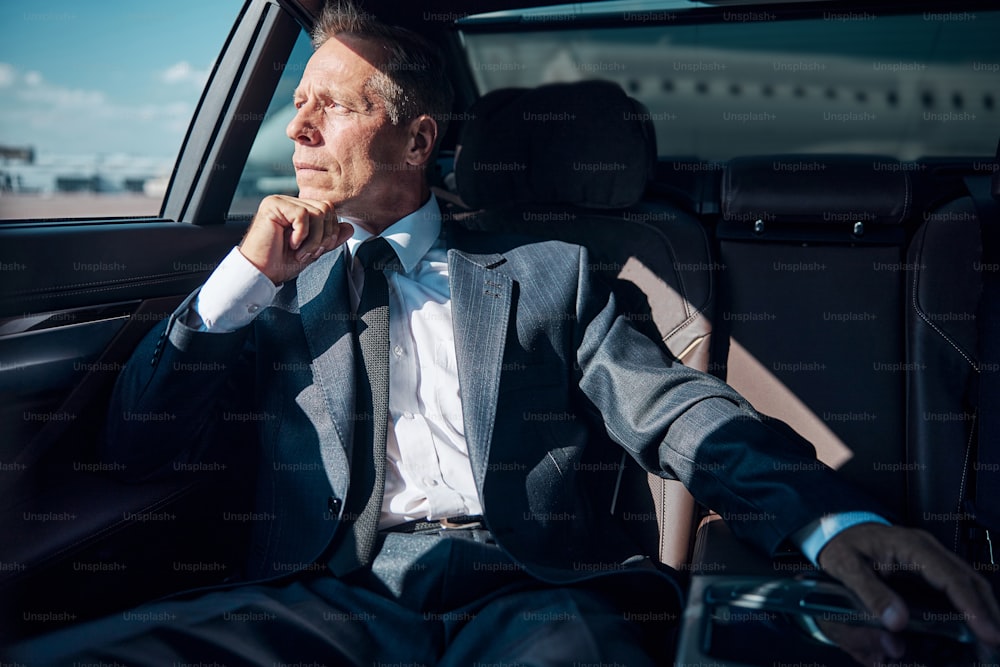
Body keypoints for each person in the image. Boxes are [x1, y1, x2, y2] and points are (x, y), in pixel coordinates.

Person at [6, 2, 999, 665]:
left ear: (417, 137)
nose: (297, 132)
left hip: (528, 588)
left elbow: (683, 415)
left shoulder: (551, 275)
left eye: (331, 109)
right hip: (325, 594)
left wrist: (834, 522)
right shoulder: (268, 285)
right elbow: (137, 441)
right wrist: (242, 281)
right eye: (296, 108)